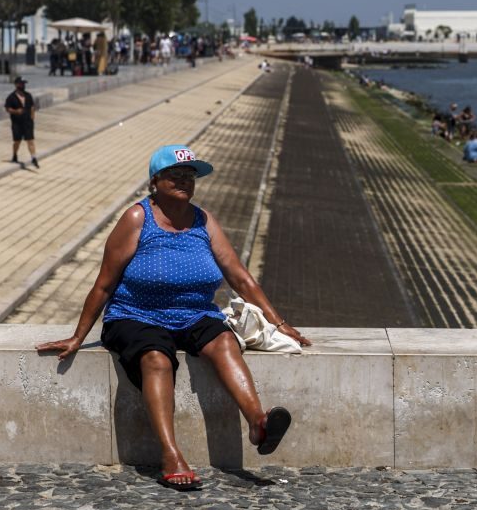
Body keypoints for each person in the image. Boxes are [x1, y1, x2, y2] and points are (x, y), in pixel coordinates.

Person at [36, 145, 310, 491]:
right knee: (156, 358)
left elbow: (241, 277)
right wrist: (78, 337)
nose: (184, 181)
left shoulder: (203, 220)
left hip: (195, 313)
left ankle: (258, 422)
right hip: (136, 315)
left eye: (190, 176)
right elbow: (104, 284)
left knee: (225, 341)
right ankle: (171, 455)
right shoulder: (138, 218)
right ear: (155, 181)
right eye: (175, 175)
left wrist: (280, 323)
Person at [4, 76, 39, 168]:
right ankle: (15, 155)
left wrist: (32, 118)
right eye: (21, 83)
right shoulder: (11, 97)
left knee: (30, 140)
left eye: (24, 84)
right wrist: (16, 112)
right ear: (16, 84)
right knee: (17, 141)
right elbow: (7, 109)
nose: (23, 85)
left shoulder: (28, 95)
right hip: (17, 123)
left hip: (27, 122)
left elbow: (32, 107)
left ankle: (34, 158)